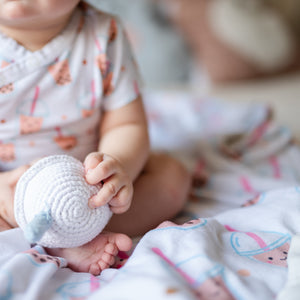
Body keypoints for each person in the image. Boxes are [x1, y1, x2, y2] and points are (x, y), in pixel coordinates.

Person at [0, 0, 191, 275]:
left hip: (86, 191)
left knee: (171, 178)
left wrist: (117, 165)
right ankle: (57, 242)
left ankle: (76, 234)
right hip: (11, 190)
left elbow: (126, 123)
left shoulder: (104, 33)